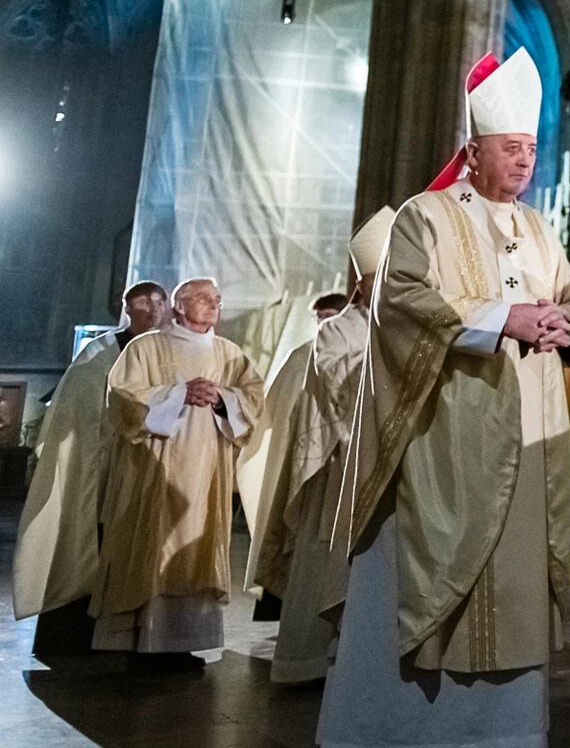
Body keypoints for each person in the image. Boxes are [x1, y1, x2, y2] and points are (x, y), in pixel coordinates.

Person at [317, 48, 570, 748]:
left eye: (532, 148)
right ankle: (401, 728)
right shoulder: (426, 215)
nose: (526, 160)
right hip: (446, 437)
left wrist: (568, 323)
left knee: (515, 586)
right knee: (426, 580)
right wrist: (503, 319)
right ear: (474, 149)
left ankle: (505, 732)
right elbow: (403, 301)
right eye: (511, 147)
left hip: (526, 435)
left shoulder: (537, 229)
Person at [249, 207, 395, 683]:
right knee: (325, 562)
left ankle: (363, 666)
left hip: (386, 461)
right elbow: (335, 384)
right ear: (363, 283)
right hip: (340, 465)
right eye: (382, 278)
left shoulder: (397, 327)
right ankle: (307, 662)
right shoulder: (338, 330)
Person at [92, 277, 265, 671]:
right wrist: (177, 394)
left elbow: (255, 397)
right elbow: (122, 396)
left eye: (217, 299)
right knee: (152, 545)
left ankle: (183, 643)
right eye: (203, 298)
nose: (213, 305)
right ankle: (141, 642)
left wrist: (222, 398)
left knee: (196, 546)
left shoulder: (229, 353)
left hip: (206, 471)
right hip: (153, 470)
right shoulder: (146, 346)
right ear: (179, 305)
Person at [13, 281, 170, 657]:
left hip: (144, 467)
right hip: (98, 465)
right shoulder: (99, 352)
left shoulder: (167, 352)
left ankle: (127, 638)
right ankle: (74, 635)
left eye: (157, 301)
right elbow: (79, 409)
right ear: (126, 308)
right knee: (86, 540)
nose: (151, 308)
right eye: (142, 301)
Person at [241, 289, 352, 622]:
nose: (326, 323)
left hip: (340, 466)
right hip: (299, 465)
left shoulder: (359, 354)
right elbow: (276, 416)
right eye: (321, 317)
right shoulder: (300, 357)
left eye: (333, 316)